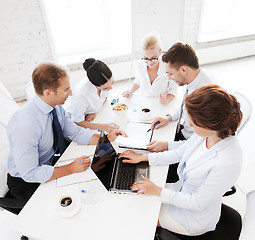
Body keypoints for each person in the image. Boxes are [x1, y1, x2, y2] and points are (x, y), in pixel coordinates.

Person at [119, 84, 243, 236]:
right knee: (141, 197)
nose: (189, 126)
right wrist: (143, 157)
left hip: (192, 217)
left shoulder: (228, 161)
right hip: (181, 194)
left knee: (140, 214)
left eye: (192, 123)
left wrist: (157, 191)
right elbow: (180, 153)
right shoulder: (207, 134)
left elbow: (196, 202)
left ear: (211, 126)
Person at [6, 62, 124, 207]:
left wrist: (106, 138)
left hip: (48, 164)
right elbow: (30, 173)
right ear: (48, 93)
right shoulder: (25, 125)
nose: (71, 93)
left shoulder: (56, 109)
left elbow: (76, 132)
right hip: (25, 182)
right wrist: (69, 168)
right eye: (66, 90)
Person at [147, 42, 215, 182]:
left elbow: (195, 144)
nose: (169, 78)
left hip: (189, 147)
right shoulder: (194, 79)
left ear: (183, 69)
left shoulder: (203, 96)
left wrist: (166, 145)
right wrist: (169, 117)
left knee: (152, 172)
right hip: (184, 135)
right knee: (149, 145)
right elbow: (185, 107)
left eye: (171, 74)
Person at [122, 32, 178, 105]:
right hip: (143, 102)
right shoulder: (140, 64)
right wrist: (129, 92)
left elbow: (173, 90)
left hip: (160, 104)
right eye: (146, 58)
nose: (149, 62)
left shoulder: (168, 66)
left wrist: (166, 100)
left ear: (160, 52)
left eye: (153, 58)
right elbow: (138, 81)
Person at [66, 58, 119, 132]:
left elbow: (104, 98)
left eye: (112, 82)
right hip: (77, 119)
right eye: (106, 88)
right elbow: (77, 121)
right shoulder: (82, 94)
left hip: (90, 114)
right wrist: (104, 127)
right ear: (93, 84)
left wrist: (94, 111)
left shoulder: (104, 82)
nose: (111, 88)